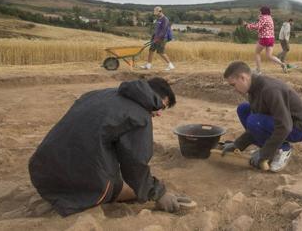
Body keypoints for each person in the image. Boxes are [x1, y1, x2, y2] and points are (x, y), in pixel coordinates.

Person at [28, 78, 193, 216]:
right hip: (76, 182)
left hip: (41, 172)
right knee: (132, 188)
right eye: (161, 106)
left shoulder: (99, 94)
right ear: (154, 97)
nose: (159, 113)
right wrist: (159, 193)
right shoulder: (140, 115)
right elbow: (135, 164)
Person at [221, 61, 302, 172]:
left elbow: (285, 126)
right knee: (243, 109)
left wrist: (264, 154)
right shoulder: (253, 90)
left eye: (233, 85)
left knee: (254, 120)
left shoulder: (270, 90)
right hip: (282, 122)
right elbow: (254, 127)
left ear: (243, 77)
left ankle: (283, 149)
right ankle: (269, 147)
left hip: (297, 128)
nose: (234, 89)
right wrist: (238, 144)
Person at [245, 6, 287, 74]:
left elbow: (257, 26)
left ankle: (258, 71)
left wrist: (248, 26)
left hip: (264, 38)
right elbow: (262, 26)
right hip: (271, 39)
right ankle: (282, 64)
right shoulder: (270, 18)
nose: (259, 12)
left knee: (257, 53)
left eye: (260, 11)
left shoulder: (263, 17)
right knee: (269, 55)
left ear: (263, 11)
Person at [141, 6, 175, 71]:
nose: (156, 14)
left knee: (161, 52)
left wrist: (158, 38)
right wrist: (153, 37)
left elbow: (164, 30)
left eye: (157, 13)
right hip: (156, 38)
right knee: (151, 50)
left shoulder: (165, 19)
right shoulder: (158, 19)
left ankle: (171, 65)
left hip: (162, 38)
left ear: (160, 11)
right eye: (155, 13)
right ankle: (148, 65)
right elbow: (157, 30)